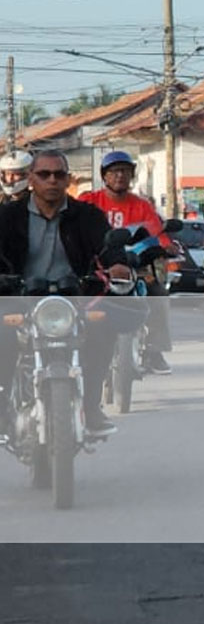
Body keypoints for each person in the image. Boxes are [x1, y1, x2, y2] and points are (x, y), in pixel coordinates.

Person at [0, 150, 131, 437]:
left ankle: (92, 407)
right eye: (44, 174)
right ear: (31, 179)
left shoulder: (88, 216)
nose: (52, 181)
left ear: (68, 179)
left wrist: (117, 264)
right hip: (18, 297)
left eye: (59, 175)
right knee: (2, 335)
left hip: (74, 297)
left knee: (102, 328)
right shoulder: (7, 217)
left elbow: (108, 247)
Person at [77, 150, 173, 375]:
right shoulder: (89, 201)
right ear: (104, 176)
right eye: (114, 171)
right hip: (97, 266)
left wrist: (165, 246)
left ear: (132, 176)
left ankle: (153, 349)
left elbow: (156, 232)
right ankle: (74, 342)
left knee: (157, 293)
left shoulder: (142, 206)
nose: (120, 176)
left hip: (132, 265)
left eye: (125, 171)